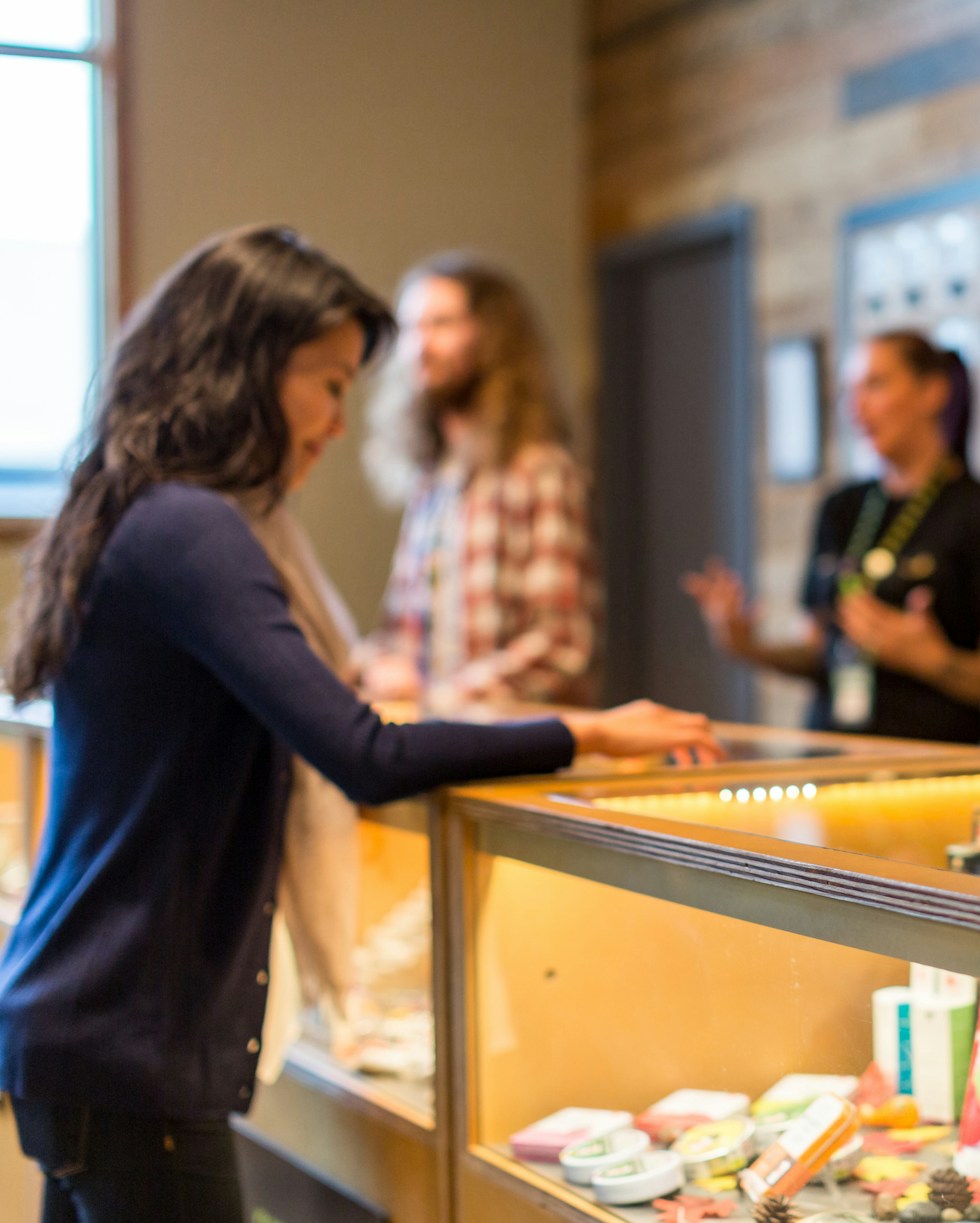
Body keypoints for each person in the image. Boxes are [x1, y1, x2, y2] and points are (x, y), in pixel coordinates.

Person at [0, 226, 719, 1223]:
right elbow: (365, 751)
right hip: (131, 1039)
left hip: (86, 1026)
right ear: (250, 368)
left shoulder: (141, 509)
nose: (340, 421)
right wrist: (585, 730)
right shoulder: (193, 528)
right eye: (329, 381)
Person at [683, 331, 980, 745]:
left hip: (931, 767)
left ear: (933, 392)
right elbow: (818, 652)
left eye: (875, 385)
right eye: (849, 392)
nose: (857, 407)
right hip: (831, 759)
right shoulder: (842, 508)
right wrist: (745, 645)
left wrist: (933, 660)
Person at [359, 254, 598, 707]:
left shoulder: (540, 471)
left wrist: (437, 696)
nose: (420, 346)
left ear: (492, 336)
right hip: (442, 748)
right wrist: (372, 665)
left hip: (518, 756)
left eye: (441, 324)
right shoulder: (433, 483)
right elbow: (400, 634)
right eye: (411, 328)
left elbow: (561, 646)